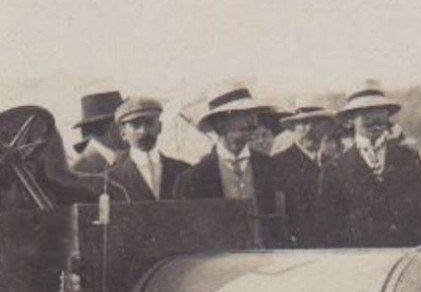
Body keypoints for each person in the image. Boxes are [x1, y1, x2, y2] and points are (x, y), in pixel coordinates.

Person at [313, 86, 421, 249]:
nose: (374, 119)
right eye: (365, 113)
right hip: (363, 266)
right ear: (350, 120)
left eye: (380, 111)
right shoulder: (334, 170)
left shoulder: (408, 159)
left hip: (406, 261)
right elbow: (329, 231)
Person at [173, 84, 283, 221]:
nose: (252, 120)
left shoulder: (275, 169)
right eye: (242, 113)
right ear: (219, 122)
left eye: (253, 113)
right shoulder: (192, 179)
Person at [73, 97, 187, 202]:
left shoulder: (184, 172)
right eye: (135, 125)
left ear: (160, 127)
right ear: (122, 132)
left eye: (149, 122)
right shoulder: (108, 181)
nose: (143, 131)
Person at [271, 102, 335, 246]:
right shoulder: (279, 163)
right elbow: (279, 213)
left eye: (316, 123)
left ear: (327, 128)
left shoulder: (332, 163)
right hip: (298, 247)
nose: (309, 129)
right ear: (293, 128)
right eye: (303, 123)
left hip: (331, 246)